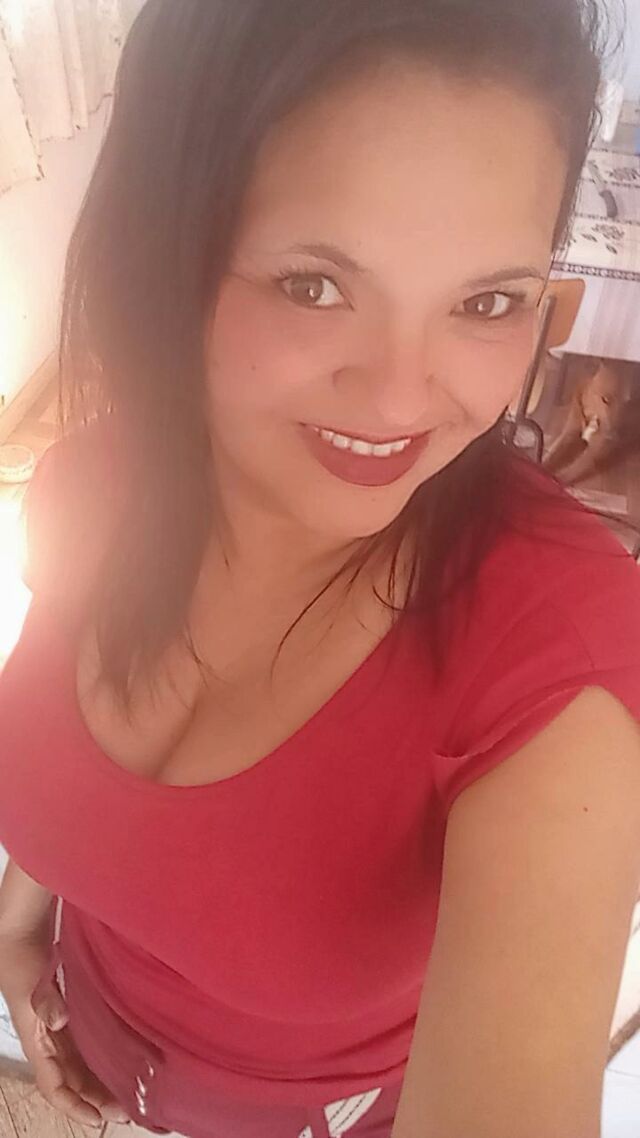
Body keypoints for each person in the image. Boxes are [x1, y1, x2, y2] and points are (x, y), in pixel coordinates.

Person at [1, 2, 639, 1136]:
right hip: (82, 1030)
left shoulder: (560, 672)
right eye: (314, 285)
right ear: (170, 251)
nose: (400, 397)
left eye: (485, 302)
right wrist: (26, 907)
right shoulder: (95, 482)